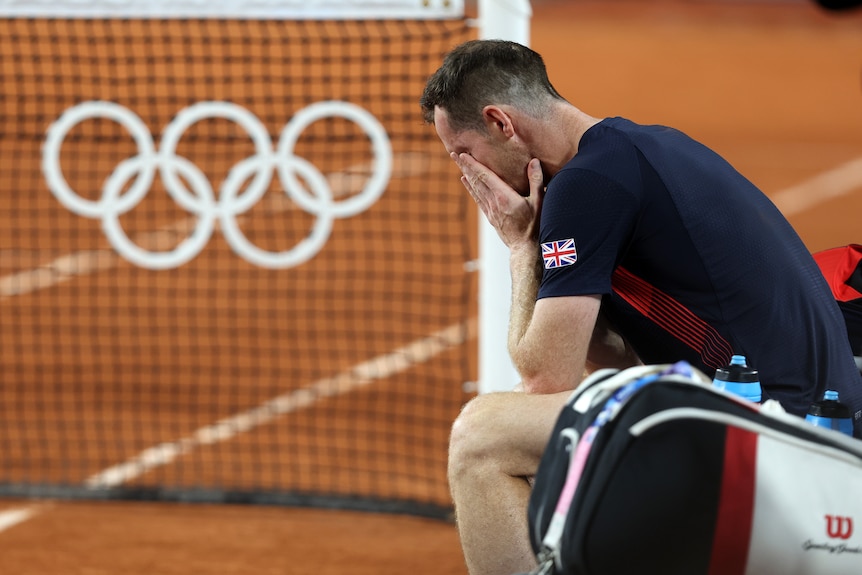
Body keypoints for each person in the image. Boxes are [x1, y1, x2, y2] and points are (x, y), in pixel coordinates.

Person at [419, 39, 862, 575]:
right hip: (812, 416)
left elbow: (545, 375)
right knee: (542, 424)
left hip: (774, 426)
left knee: (482, 437)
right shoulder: (634, 150)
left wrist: (520, 249)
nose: (466, 173)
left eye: (462, 153)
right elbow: (608, 362)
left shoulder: (586, 187)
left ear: (501, 123)